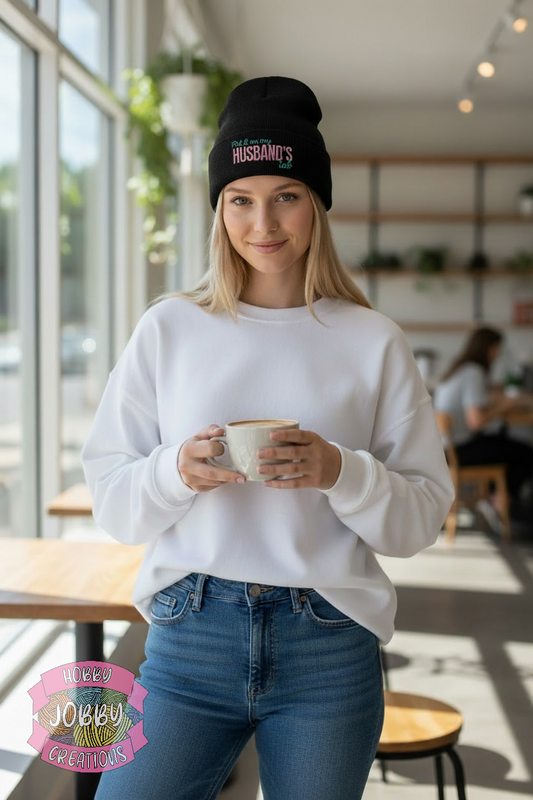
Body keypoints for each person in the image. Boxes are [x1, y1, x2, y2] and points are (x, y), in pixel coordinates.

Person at [81, 76, 454, 800]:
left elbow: (421, 519)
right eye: (240, 200)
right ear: (218, 210)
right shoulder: (169, 328)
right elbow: (115, 505)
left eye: (285, 195)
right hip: (190, 634)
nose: (264, 223)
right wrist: (175, 473)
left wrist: (339, 471)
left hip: (328, 642)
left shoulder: (372, 341)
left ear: (316, 204)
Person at [433, 326, 533, 527]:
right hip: (460, 450)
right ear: (488, 348)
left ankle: (493, 496)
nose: (497, 355)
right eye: (497, 349)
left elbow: (481, 399)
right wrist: (503, 407)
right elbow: (476, 422)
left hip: (445, 447)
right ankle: (498, 499)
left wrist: (497, 401)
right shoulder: (473, 372)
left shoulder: (460, 368)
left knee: (503, 441)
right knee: (526, 453)